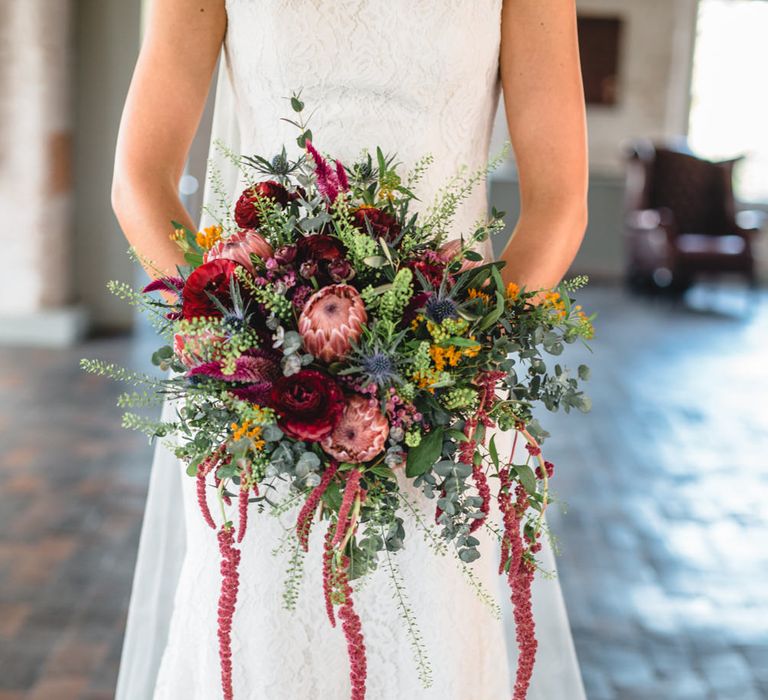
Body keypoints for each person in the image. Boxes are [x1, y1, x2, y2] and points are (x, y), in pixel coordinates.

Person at [112, 1, 589, 698]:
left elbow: (561, 201)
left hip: (443, 402)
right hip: (258, 392)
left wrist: (447, 363)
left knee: (436, 643)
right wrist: (241, 341)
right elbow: (139, 181)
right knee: (258, 639)